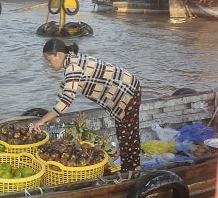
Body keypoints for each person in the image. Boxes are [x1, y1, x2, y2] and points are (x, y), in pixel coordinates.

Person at [30, 38, 142, 172]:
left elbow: (66, 101)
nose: (49, 64)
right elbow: (61, 97)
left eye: (49, 60)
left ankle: (133, 170)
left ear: (59, 55)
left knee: (127, 134)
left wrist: (42, 120)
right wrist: (46, 120)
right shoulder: (72, 62)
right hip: (125, 90)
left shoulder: (73, 68)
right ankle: (130, 168)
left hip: (128, 91)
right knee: (125, 133)